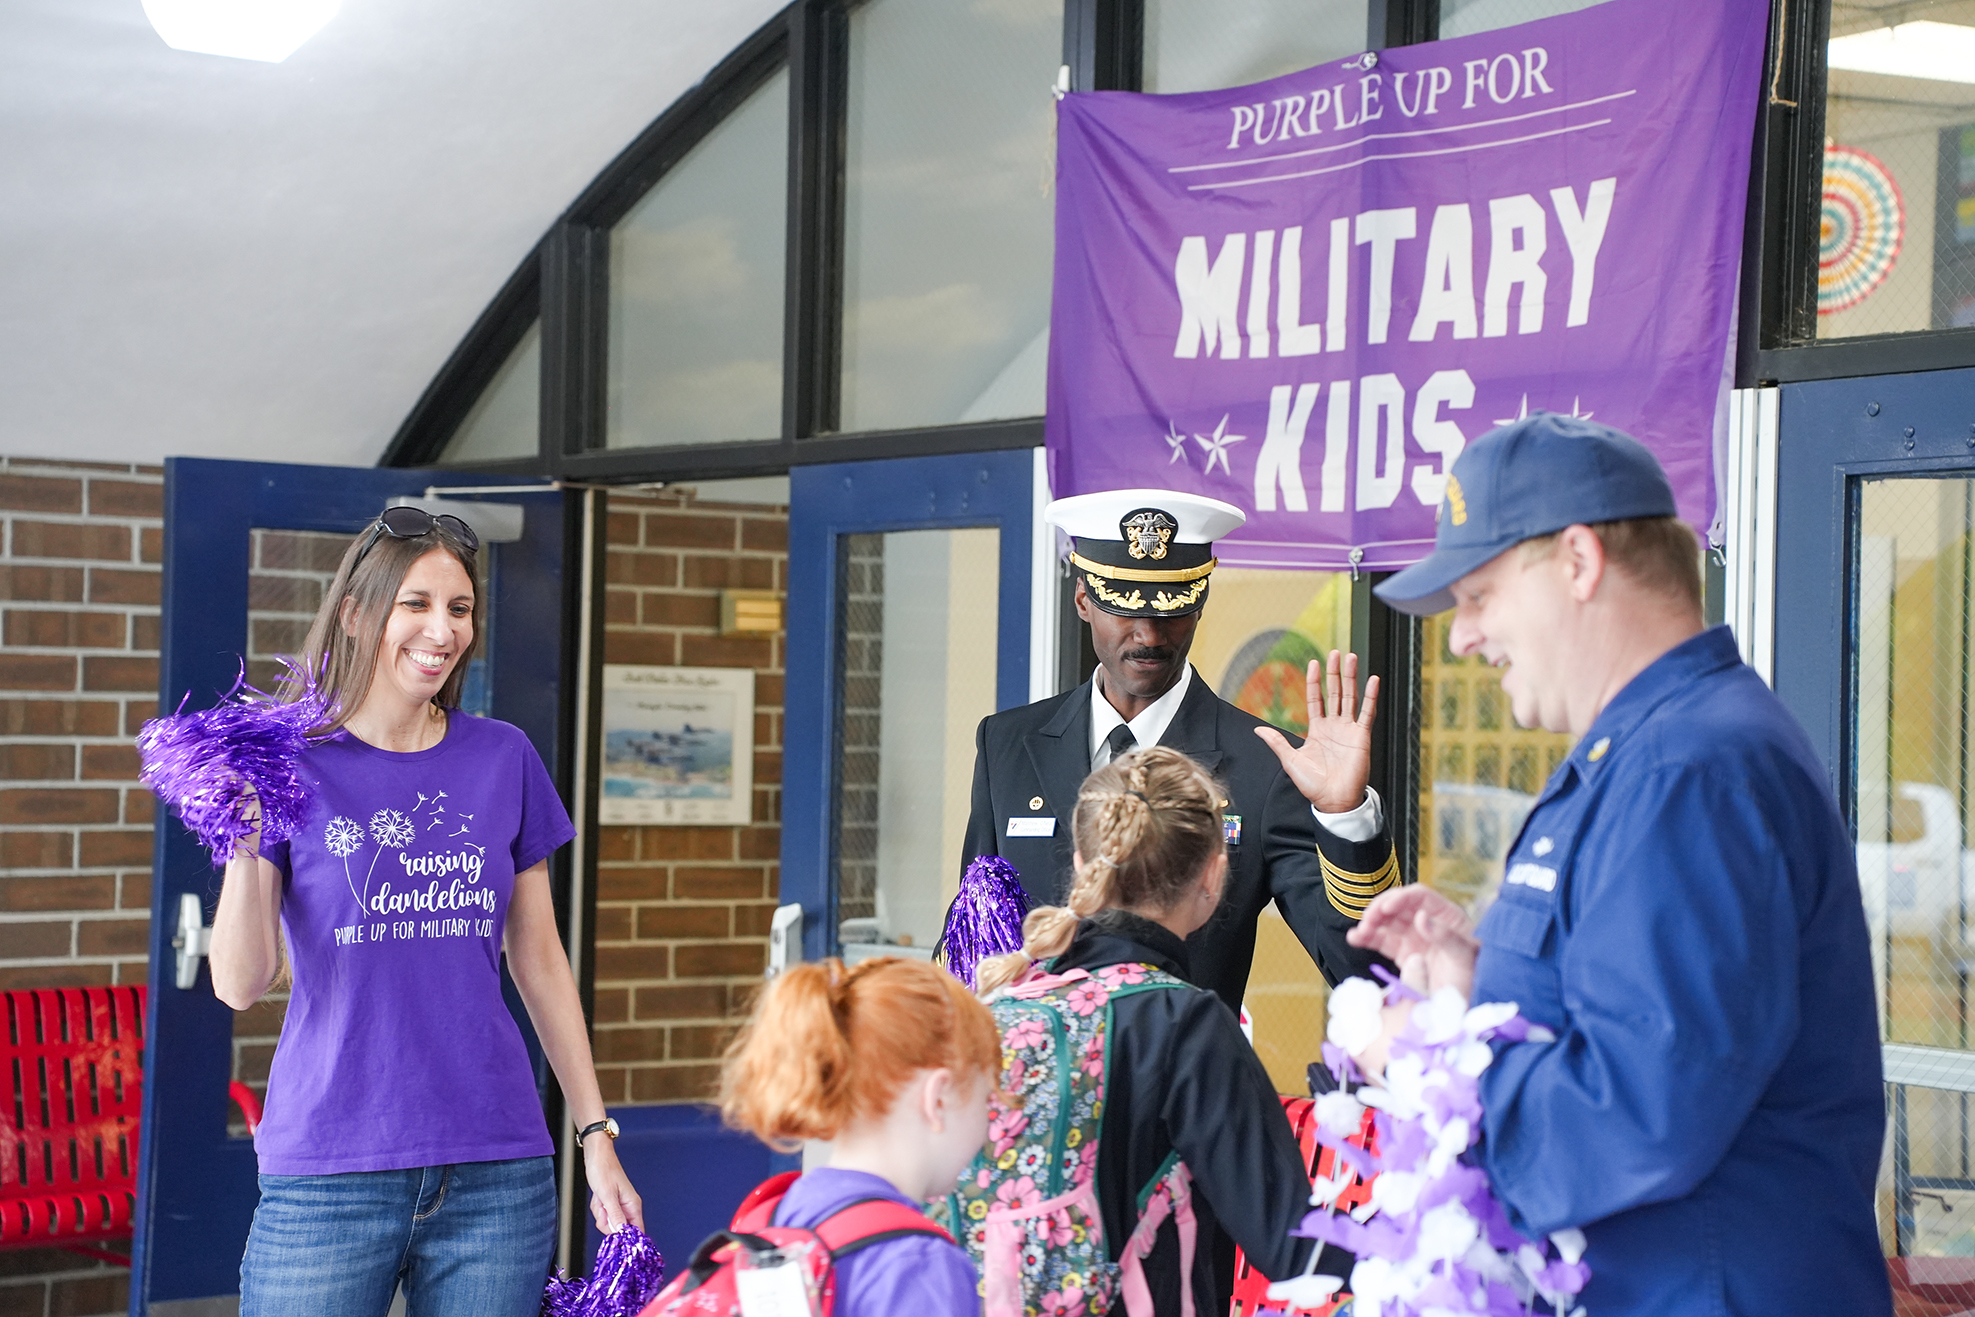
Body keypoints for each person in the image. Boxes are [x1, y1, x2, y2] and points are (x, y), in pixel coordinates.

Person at [1349, 414, 1888, 1314]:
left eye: (1477, 594)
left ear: (1576, 560)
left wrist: (1427, 1058)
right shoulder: (1649, 753)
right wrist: (1477, 988)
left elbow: (1639, 1113)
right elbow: (1641, 1024)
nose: (1459, 637)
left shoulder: (1689, 770)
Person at [209, 506, 641, 1317]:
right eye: (416, 603)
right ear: (356, 612)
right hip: (329, 1173)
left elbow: (540, 958)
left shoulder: (502, 756)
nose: (440, 630)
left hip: (495, 1171)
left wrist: (595, 1137)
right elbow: (241, 982)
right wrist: (243, 838)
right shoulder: (287, 764)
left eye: (459, 607)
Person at [959, 488, 1394, 1017]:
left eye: (1172, 611)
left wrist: (1345, 817)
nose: (1148, 635)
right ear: (1082, 601)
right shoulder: (1006, 743)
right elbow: (972, 937)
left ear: (1200, 603)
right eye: (1123, 610)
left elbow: (1364, 973)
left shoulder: (1262, 766)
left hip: (1182, 1080)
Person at [968, 746, 1333, 1314]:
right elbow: (1295, 1248)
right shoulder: (1184, 1024)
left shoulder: (996, 1008)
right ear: (1213, 874)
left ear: (1084, 862)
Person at [718, 956, 1000, 1317]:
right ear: (938, 1099)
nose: (990, 1121)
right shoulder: (919, 1264)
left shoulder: (784, 1213)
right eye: (986, 1097)